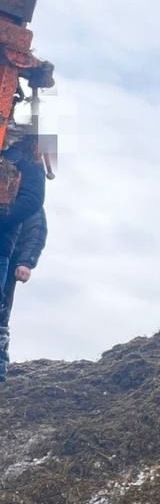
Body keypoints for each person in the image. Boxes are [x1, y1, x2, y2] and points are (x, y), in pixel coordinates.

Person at [0, 132, 46, 382]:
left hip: (7, 251)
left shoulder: (24, 162)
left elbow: (35, 223)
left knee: (1, 314)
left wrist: (26, 261)